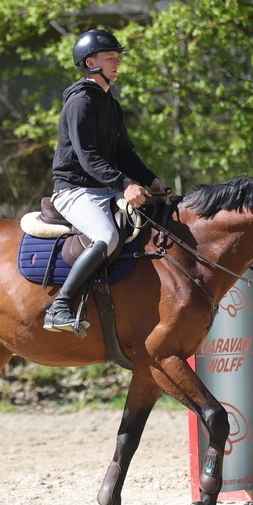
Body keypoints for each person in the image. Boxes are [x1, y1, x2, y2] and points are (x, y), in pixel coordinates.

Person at [43, 29, 167, 335]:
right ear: (90, 62)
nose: (117, 62)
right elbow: (87, 158)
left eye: (117, 57)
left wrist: (150, 180)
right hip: (73, 191)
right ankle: (59, 307)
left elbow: (124, 153)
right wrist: (124, 185)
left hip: (102, 189)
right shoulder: (81, 103)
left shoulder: (110, 104)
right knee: (107, 236)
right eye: (110, 57)